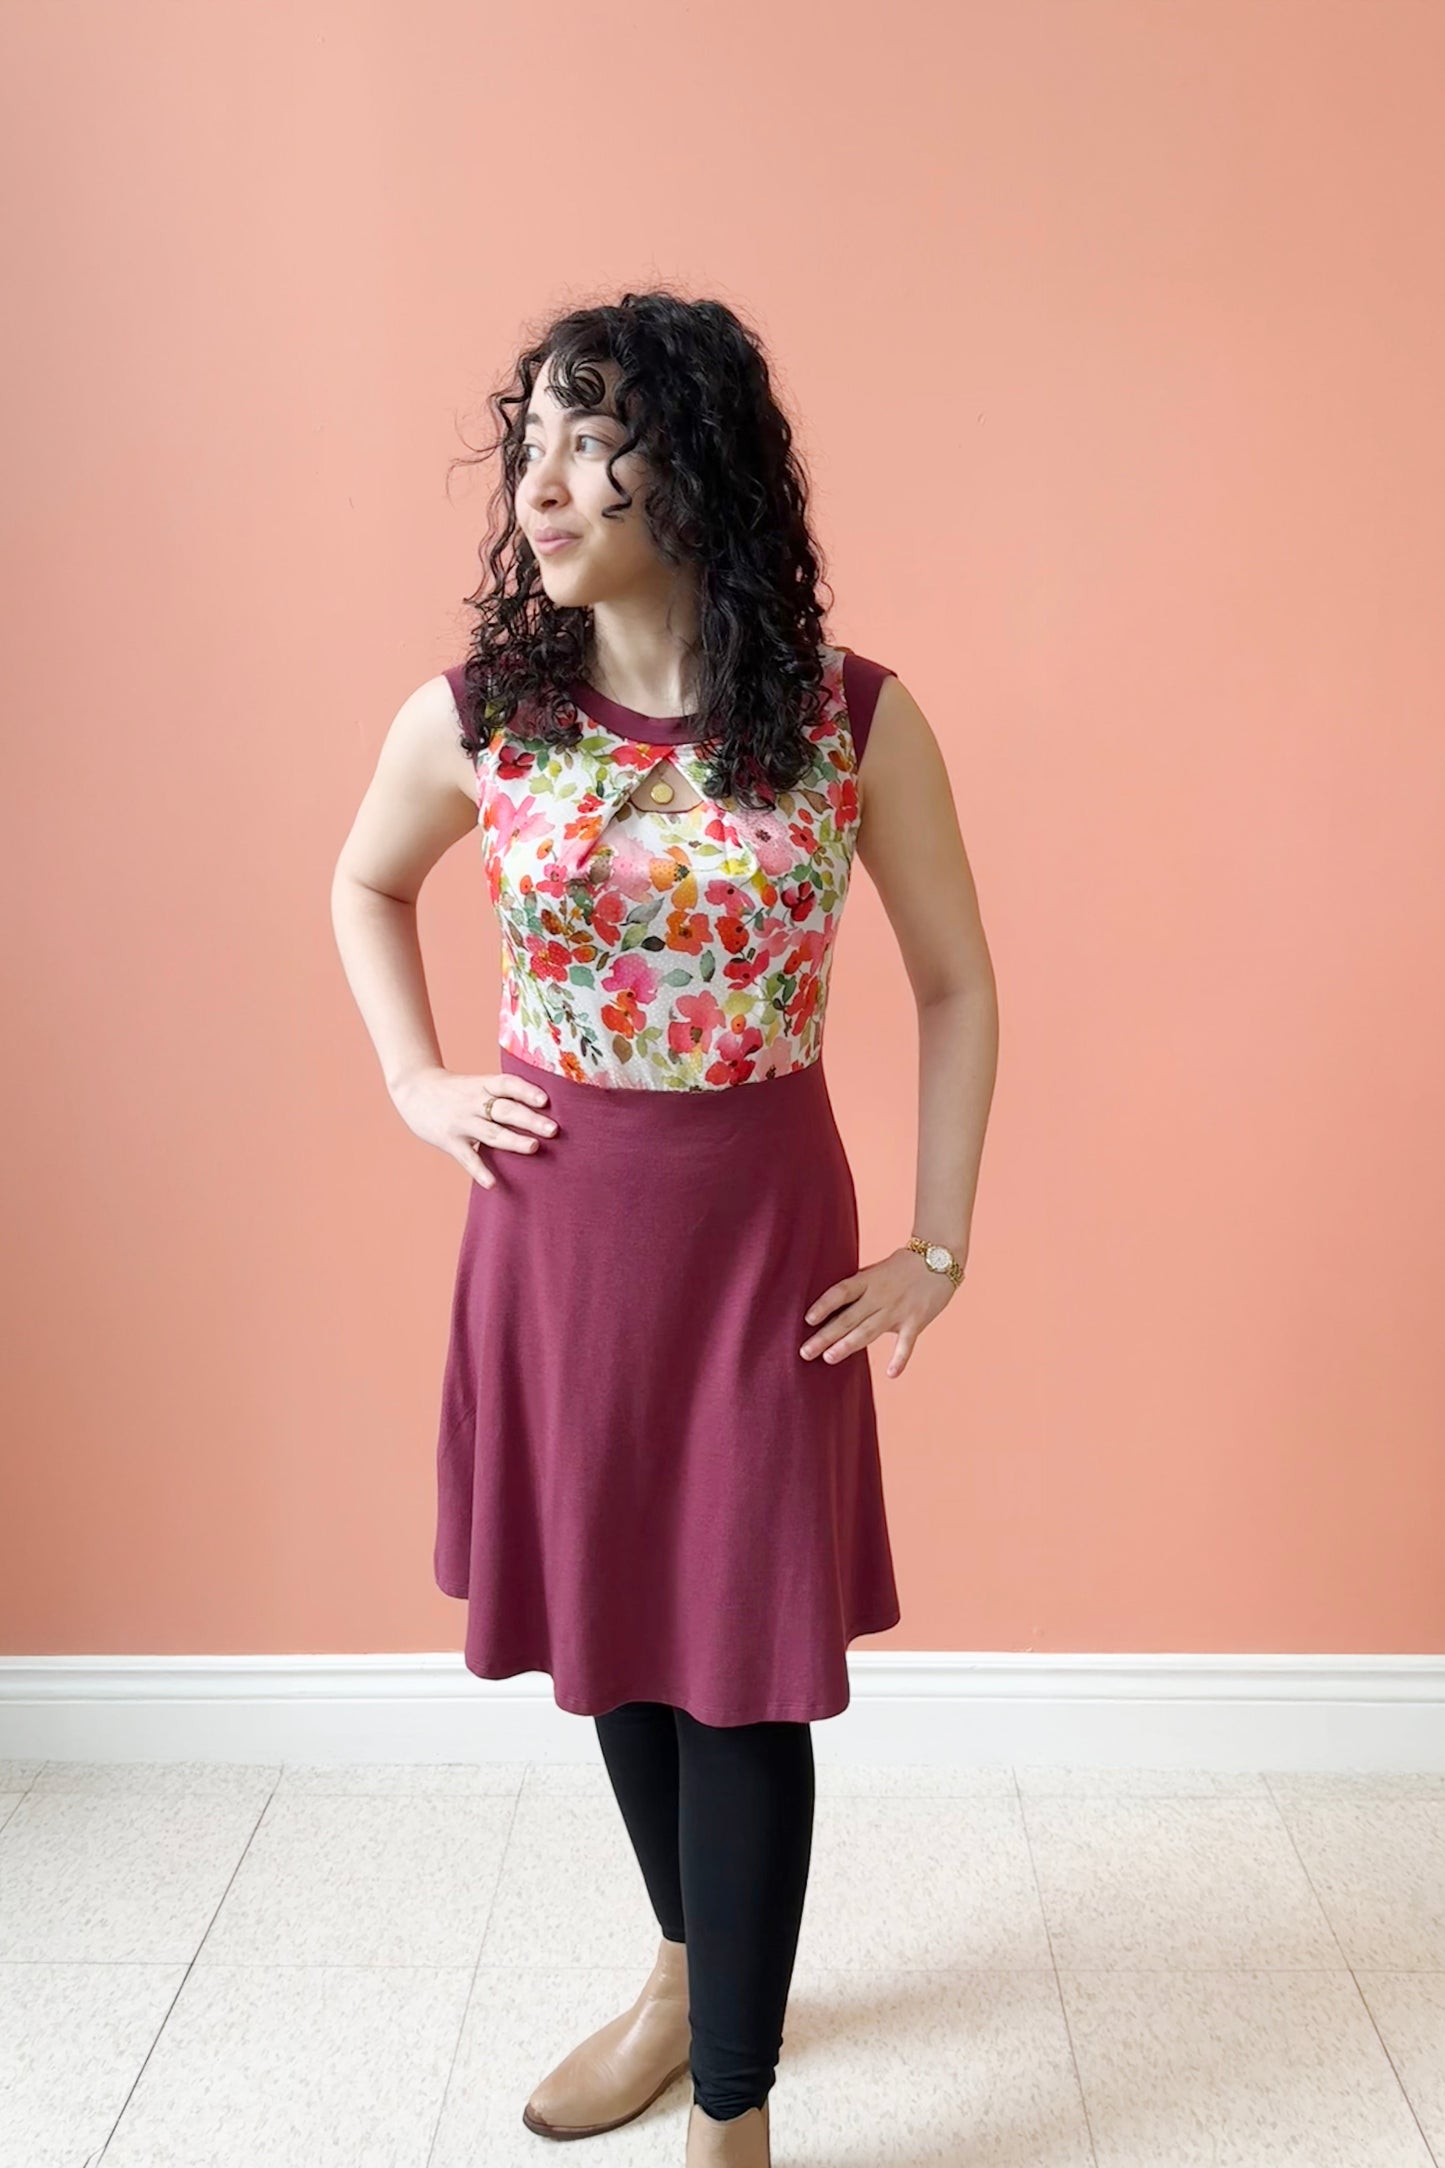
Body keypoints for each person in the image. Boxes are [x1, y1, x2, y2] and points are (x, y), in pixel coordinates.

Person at [330, 290, 997, 2166]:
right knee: (615, 1618)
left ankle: (731, 2107)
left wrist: (938, 1244)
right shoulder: (481, 718)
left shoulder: (849, 718)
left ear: (691, 464)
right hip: (555, 1241)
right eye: (527, 443)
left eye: (589, 436)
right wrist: (414, 1080)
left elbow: (957, 983)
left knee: (744, 1670)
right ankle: (686, 1974)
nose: (539, 483)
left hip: (761, 1239)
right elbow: (364, 883)